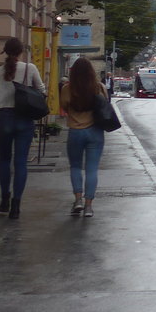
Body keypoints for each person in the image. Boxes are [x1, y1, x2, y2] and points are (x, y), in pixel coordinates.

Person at [0, 37, 48, 221]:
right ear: (21, 52)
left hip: (3, 118)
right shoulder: (30, 68)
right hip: (24, 119)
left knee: (3, 160)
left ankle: (4, 200)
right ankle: (16, 207)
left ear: (5, 51)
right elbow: (42, 91)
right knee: (20, 162)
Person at [60, 57, 107, 218]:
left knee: (75, 167)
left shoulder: (68, 88)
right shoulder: (98, 87)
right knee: (92, 169)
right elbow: (105, 104)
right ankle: (88, 207)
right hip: (95, 132)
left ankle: (78, 200)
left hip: (75, 131)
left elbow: (64, 105)